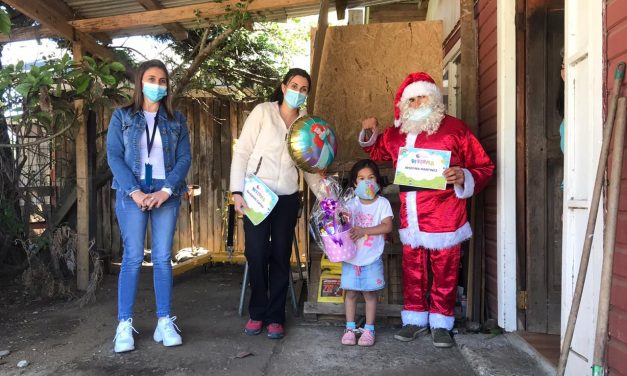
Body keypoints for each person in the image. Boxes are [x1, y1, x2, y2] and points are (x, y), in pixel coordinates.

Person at [359, 72, 494, 348]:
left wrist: (463, 175)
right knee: (412, 270)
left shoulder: (456, 129)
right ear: (405, 104)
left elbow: (485, 166)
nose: (419, 102)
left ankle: (442, 322)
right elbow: (377, 152)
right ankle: (415, 320)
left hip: (445, 215)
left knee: (445, 271)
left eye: (424, 96)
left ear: (434, 98)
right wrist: (368, 133)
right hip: (412, 217)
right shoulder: (396, 135)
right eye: (413, 98)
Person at [229, 68, 322, 339]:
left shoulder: (306, 123)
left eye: (304, 89)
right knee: (256, 254)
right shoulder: (263, 112)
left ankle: (275, 317)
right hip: (257, 194)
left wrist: (326, 194)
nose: (298, 92)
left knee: (281, 256)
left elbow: (308, 165)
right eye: (294, 85)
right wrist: (237, 191)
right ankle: (257, 311)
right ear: (283, 87)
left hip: (287, 198)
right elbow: (243, 151)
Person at [106, 60, 191, 353]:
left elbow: (184, 159)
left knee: (163, 257)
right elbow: (114, 157)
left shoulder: (176, 119)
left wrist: (167, 191)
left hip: (165, 193)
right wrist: (135, 192)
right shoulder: (122, 117)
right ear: (141, 82)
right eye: (152, 78)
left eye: (163, 80)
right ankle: (124, 325)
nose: (158, 84)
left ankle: (164, 320)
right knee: (131, 258)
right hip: (133, 193)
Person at [340, 159, 393, 347]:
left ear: (377, 181)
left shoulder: (382, 203)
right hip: (351, 257)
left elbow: (388, 226)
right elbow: (342, 223)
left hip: (372, 257)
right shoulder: (350, 203)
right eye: (361, 179)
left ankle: (369, 330)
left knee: (370, 295)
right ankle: (349, 328)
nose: (366, 182)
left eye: (371, 178)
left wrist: (364, 231)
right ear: (355, 183)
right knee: (351, 293)